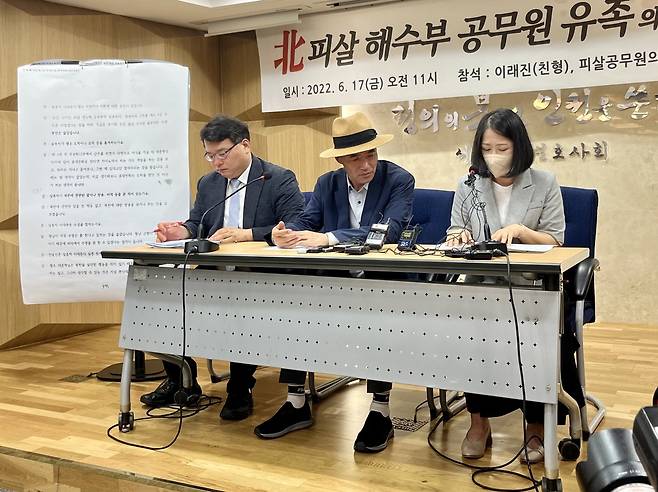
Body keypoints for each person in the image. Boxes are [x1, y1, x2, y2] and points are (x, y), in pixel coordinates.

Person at [253, 111, 415, 453]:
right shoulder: (328, 183)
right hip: (331, 281)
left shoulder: (399, 180)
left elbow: (388, 232)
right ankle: (296, 402)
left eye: (371, 154)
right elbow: (306, 221)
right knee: (293, 304)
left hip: (380, 280)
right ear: (341, 159)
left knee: (378, 314)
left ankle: (380, 411)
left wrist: (326, 239)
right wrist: (286, 234)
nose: (366, 164)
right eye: (356, 157)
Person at [141, 115, 306, 421]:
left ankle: (240, 387)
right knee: (163, 299)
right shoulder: (208, 183)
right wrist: (181, 232)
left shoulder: (277, 178)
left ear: (245, 145)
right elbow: (198, 222)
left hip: (259, 275)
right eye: (210, 155)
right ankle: (181, 379)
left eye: (222, 153)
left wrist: (247, 234)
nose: (216, 162)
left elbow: (297, 224)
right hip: (213, 269)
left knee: (237, 309)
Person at [446, 108, 566, 464]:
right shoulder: (468, 186)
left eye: (502, 148)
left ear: (519, 147)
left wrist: (522, 232)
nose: (493, 156)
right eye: (487, 149)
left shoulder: (544, 182)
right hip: (483, 286)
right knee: (471, 337)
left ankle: (535, 427)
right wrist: (459, 237)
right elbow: (453, 231)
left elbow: (557, 240)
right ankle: (478, 422)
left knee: (535, 342)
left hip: (531, 286)